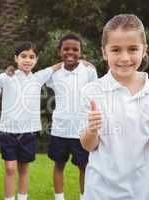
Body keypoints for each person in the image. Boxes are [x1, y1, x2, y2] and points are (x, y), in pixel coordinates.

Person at [79, 14, 149, 200]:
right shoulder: (92, 91)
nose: (124, 57)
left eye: (132, 49)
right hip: (101, 191)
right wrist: (92, 129)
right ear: (104, 52)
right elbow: (88, 145)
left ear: (144, 50)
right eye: (116, 50)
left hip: (145, 190)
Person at [0, 41, 62, 200]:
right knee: (10, 168)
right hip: (8, 131)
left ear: (36, 60)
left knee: (24, 169)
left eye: (31, 57)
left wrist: (80, 61)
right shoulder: (6, 77)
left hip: (28, 131)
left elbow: (56, 67)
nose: (27, 60)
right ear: (16, 58)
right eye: (23, 56)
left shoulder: (38, 78)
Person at [46, 33, 98, 200]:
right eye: (66, 49)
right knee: (59, 164)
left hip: (82, 130)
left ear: (81, 52)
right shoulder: (54, 74)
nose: (71, 52)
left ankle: (84, 197)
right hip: (60, 129)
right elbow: (35, 78)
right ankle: (59, 198)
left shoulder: (89, 71)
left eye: (75, 49)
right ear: (59, 51)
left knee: (84, 166)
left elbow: (95, 95)